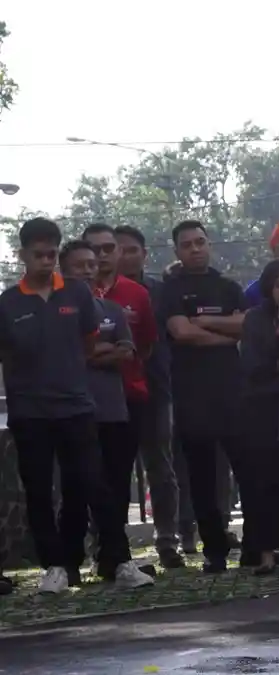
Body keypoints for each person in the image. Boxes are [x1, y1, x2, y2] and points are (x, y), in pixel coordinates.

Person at [0, 218, 154, 593]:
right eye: (38, 255)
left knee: (93, 483)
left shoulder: (76, 295)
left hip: (77, 406)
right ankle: (54, 567)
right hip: (30, 410)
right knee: (38, 490)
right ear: (23, 255)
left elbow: (87, 345)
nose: (46, 261)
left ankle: (119, 561)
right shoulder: (8, 302)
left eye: (52, 254)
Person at [160, 220, 248, 573]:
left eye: (200, 242)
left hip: (232, 391)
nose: (195, 249)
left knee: (246, 469)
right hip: (190, 394)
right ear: (178, 251)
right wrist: (225, 332)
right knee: (201, 478)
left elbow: (246, 325)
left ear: (209, 244)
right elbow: (181, 332)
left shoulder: (228, 287)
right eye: (187, 244)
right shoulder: (170, 290)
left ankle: (258, 546)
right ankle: (214, 549)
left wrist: (204, 324)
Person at [59, 241, 142, 580]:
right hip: (72, 412)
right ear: (63, 271)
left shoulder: (111, 309)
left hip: (112, 410)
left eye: (91, 264)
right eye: (79, 265)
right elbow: (62, 354)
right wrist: (100, 351)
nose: (88, 270)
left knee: (114, 489)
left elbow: (127, 351)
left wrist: (89, 354)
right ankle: (68, 563)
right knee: (75, 489)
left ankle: (113, 559)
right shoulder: (57, 312)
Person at [114, 225, 184, 567]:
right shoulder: (100, 293)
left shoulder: (160, 291)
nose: (125, 256)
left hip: (156, 388)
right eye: (118, 250)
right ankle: (112, 543)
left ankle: (168, 539)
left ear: (144, 253)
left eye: (132, 250)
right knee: (114, 469)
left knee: (161, 466)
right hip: (114, 391)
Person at [235, 260, 279, 574]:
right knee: (264, 479)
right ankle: (264, 549)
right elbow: (255, 363)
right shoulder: (257, 318)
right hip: (262, 405)